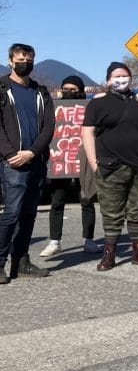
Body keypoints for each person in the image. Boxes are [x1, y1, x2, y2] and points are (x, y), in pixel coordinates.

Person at [81, 62, 138, 270]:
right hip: (110, 165)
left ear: (131, 78)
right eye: (116, 76)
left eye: (125, 75)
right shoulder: (98, 103)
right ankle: (109, 254)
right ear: (108, 80)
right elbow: (87, 132)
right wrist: (93, 162)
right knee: (112, 212)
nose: (121, 79)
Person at [0, 43, 56, 282]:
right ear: (11, 61)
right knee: (12, 213)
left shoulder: (41, 92)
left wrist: (32, 152)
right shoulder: (2, 88)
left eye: (30, 58)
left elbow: (49, 126)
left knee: (29, 214)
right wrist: (11, 154)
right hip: (12, 162)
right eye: (21, 58)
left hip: (36, 160)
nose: (26, 62)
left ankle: (21, 262)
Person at [40, 75, 101, 257]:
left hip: (84, 160)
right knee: (57, 201)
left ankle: (88, 240)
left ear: (81, 91)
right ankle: (54, 241)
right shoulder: (54, 107)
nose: (69, 92)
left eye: (74, 89)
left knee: (87, 199)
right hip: (61, 160)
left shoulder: (90, 108)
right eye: (66, 89)